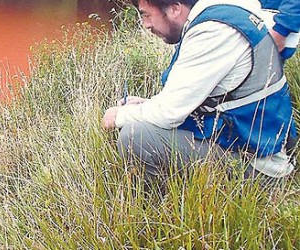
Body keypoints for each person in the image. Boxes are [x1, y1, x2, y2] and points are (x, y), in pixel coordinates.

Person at [102, 0, 297, 190]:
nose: (145, 24)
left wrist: (118, 115)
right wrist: (148, 104)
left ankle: (160, 210)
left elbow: (169, 113)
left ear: (174, 8)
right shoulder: (222, 13)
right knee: (140, 122)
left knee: (135, 136)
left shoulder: (213, 33)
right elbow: (204, 96)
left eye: (146, 14)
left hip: (258, 171)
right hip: (256, 150)